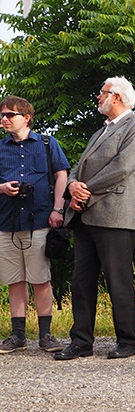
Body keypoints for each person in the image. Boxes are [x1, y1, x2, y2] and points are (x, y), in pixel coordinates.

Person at [54, 77, 135, 360]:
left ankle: (128, 341)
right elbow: (79, 166)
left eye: (102, 92)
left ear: (116, 97)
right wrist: (73, 185)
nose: (98, 97)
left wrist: (85, 191)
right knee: (81, 281)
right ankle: (81, 341)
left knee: (117, 280)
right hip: (86, 216)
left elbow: (123, 167)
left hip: (115, 215)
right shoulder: (102, 130)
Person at [0, 96, 69, 354]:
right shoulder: (0, 148)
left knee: (41, 278)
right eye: (2, 115)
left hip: (39, 219)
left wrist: (58, 209)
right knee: (14, 280)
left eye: (10, 114)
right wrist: (2, 188)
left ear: (26, 117)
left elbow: (62, 175)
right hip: (6, 222)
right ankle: (18, 335)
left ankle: (45, 335)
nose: (4, 119)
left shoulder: (48, 144)